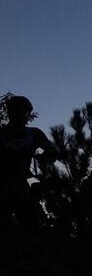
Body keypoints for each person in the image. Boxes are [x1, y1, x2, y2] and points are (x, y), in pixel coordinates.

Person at [0, 95, 57, 235]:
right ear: (9, 112)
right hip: (2, 184)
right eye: (17, 110)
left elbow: (52, 150)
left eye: (25, 111)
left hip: (21, 185)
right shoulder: (1, 133)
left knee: (32, 226)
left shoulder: (34, 133)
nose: (21, 114)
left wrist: (46, 155)